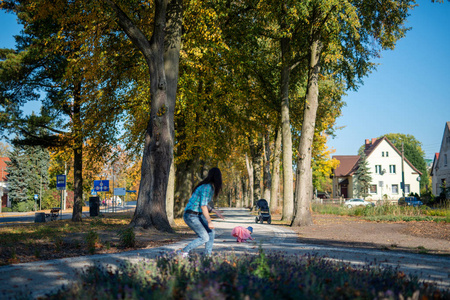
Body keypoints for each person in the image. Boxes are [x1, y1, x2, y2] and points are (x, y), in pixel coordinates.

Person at [181, 167, 224, 256]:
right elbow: (203, 206)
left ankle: (207, 256)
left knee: (211, 233)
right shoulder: (207, 187)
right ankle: (183, 252)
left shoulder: (209, 187)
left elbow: (203, 204)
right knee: (204, 237)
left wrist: (214, 211)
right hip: (191, 215)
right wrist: (209, 221)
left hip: (197, 215)